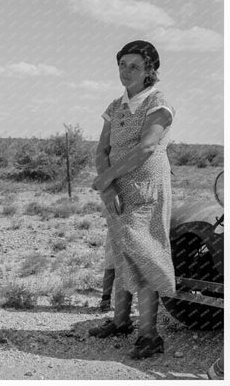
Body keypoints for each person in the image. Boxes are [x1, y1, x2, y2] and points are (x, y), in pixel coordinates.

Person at [89, 40, 176, 359]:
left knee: (143, 253)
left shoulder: (158, 102)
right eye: (122, 65)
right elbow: (102, 149)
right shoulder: (115, 105)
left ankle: (150, 335)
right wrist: (108, 186)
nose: (126, 72)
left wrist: (106, 178)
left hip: (146, 189)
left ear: (150, 70)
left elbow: (147, 148)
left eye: (134, 66)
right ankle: (121, 321)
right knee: (120, 249)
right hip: (117, 191)